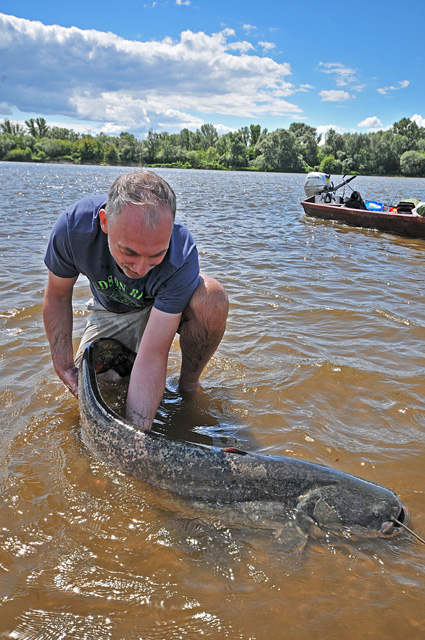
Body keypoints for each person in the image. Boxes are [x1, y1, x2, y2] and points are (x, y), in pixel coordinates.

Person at [43, 169, 228, 429]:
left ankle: (188, 388)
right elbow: (58, 295)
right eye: (129, 252)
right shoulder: (74, 228)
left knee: (212, 298)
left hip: (163, 309)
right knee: (102, 387)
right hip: (111, 309)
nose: (141, 270)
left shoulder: (182, 252)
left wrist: (138, 436)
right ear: (105, 222)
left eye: (156, 256)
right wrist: (63, 366)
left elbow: (154, 353)